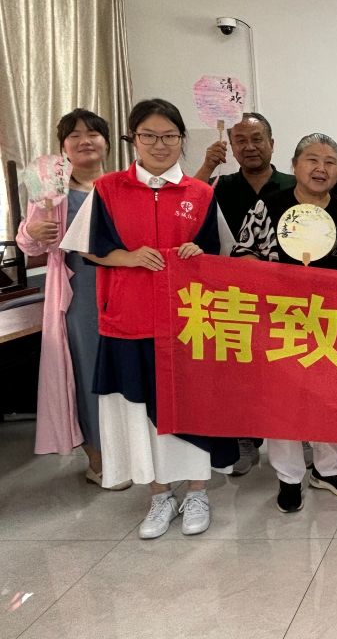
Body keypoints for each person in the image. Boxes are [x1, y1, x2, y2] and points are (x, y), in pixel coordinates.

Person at [60, 98, 238, 538]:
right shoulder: (108, 189)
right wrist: (129, 257)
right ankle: (159, 496)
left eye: (169, 136)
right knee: (140, 414)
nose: (160, 145)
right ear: (133, 140)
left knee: (193, 410)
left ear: (182, 140)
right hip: (129, 322)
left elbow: (221, 253)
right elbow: (88, 248)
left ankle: (196, 491)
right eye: (149, 136)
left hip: (189, 324)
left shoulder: (201, 194)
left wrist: (198, 253)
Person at [232, 133, 337, 514]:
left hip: (334, 323)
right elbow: (242, 255)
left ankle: (329, 469)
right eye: (312, 160)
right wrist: (280, 279)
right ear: (294, 165)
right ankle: (289, 477)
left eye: (330, 162)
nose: (321, 169)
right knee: (284, 402)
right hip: (281, 322)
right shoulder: (270, 206)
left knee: (334, 399)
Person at [17, 109, 129, 489]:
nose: (85, 141)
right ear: (63, 147)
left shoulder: (121, 186)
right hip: (79, 294)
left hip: (126, 289)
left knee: (126, 369)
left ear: (106, 142)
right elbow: (30, 242)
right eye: (75, 135)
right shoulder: (53, 193)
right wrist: (33, 231)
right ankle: (98, 458)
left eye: (93, 133)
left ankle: (130, 452)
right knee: (87, 372)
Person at [192, 111, 295, 475]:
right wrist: (207, 165)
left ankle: (298, 434)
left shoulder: (294, 185)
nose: (250, 147)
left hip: (285, 297)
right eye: (241, 141)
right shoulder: (218, 186)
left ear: (272, 143)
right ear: (231, 147)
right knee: (238, 371)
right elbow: (185, 207)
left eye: (257, 139)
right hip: (232, 296)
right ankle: (245, 438)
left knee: (288, 370)